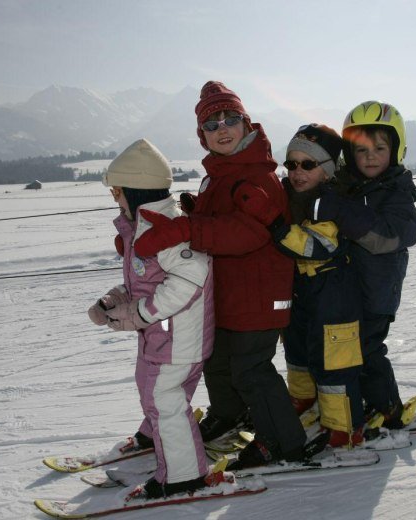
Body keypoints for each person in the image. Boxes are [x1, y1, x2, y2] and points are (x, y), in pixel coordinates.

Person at [132, 81, 306, 469]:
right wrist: (195, 211)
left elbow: (247, 232)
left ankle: (283, 442)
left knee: (251, 369)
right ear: (202, 136)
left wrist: (189, 229)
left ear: (247, 124)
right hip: (230, 295)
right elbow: (221, 219)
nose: (222, 129)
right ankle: (230, 415)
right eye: (212, 125)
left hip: (261, 296)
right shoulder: (221, 173)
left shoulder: (257, 176)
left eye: (231, 120)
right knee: (217, 361)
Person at [87, 138, 222, 498]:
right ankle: (158, 440)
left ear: (135, 190)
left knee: (164, 400)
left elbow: (191, 278)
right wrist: (114, 301)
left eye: (117, 191)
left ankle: (182, 476)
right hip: (166, 337)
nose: (115, 198)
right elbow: (145, 279)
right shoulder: (143, 226)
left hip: (178, 340)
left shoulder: (165, 227)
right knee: (158, 394)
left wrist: (140, 313)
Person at [313, 101, 416, 429]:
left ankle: (389, 408)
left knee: (368, 349)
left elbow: (389, 235)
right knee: (345, 351)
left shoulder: (396, 193)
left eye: (379, 148)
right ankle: (358, 400)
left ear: (396, 149)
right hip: (347, 291)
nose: (371, 156)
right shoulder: (347, 187)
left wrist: (342, 213)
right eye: (361, 150)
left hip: (377, 293)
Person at [266, 123, 367, 447]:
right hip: (300, 290)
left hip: (332, 291)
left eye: (307, 164)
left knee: (333, 360)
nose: (297, 172)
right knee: (296, 345)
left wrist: (280, 230)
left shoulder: (333, 200)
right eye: (291, 163)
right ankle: (304, 397)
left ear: (326, 170)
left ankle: (344, 425)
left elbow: (318, 245)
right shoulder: (288, 196)